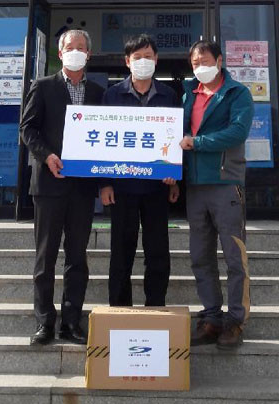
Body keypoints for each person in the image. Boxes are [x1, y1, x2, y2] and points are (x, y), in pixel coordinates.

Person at [20, 29, 104, 346]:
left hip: (82, 188)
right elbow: (28, 129)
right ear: (60, 53)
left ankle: (71, 322)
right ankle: (44, 322)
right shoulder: (43, 86)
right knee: (45, 258)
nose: (76, 51)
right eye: (71, 47)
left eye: (82, 47)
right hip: (49, 185)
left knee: (77, 258)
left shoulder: (98, 92)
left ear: (89, 54)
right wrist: (46, 156)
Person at [180, 40, 254, 350]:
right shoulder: (188, 94)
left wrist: (197, 143)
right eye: (195, 63)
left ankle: (235, 321)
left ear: (220, 61)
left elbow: (238, 132)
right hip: (195, 186)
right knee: (201, 256)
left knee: (234, 257)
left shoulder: (237, 93)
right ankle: (211, 317)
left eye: (205, 61)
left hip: (225, 184)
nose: (200, 67)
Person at [100, 34, 180, 307]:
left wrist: (174, 180)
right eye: (137, 57)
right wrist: (105, 183)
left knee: (157, 250)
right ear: (127, 61)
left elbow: (176, 139)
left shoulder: (169, 95)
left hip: (157, 186)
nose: (143, 61)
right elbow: (103, 142)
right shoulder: (112, 95)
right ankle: (119, 308)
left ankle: (155, 305)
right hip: (122, 186)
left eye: (148, 56)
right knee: (121, 251)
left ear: (156, 59)